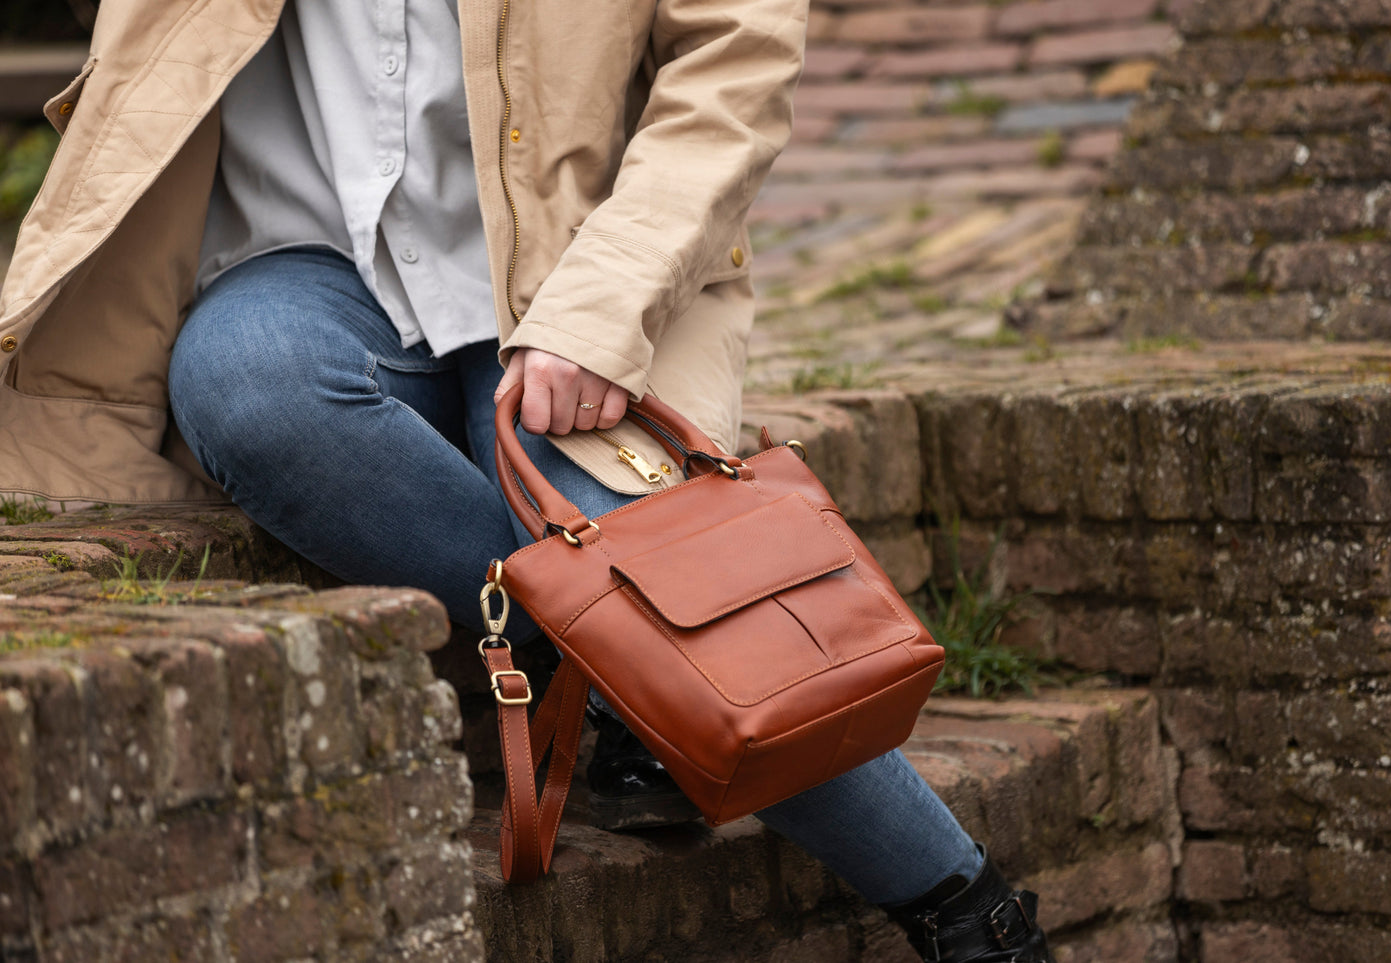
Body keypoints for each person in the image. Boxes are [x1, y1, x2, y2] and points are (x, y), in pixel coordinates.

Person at [0, 0, 1055, 959]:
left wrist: (603, 311)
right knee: (251, 389)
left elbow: (735, 59)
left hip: (578, 266)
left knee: (665, 584)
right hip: (296, 261)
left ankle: (970, 912)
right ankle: (619, 685)